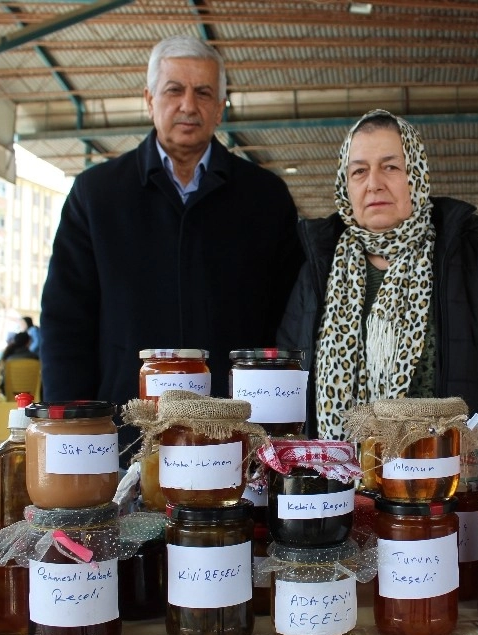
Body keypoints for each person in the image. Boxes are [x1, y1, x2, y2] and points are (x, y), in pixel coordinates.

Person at [40, 35, 302, 456]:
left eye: (203, 93)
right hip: (125, 431)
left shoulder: (265, 197)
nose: (188, 105)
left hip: (234, 432)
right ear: (149, 99)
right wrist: (73, 424)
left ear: (220, 107)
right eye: (174, 90)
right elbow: (65, 320)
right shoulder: (97, 194)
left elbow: (290, 320)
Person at [277, 109, 478, 440]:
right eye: (359, 171)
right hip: (342, 480)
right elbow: (287, 373)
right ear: (345, 185)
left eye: (390, 167)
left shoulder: (476, 259)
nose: (374, 183)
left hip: (452, 477)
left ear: (416, 175)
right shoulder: (318, 268)